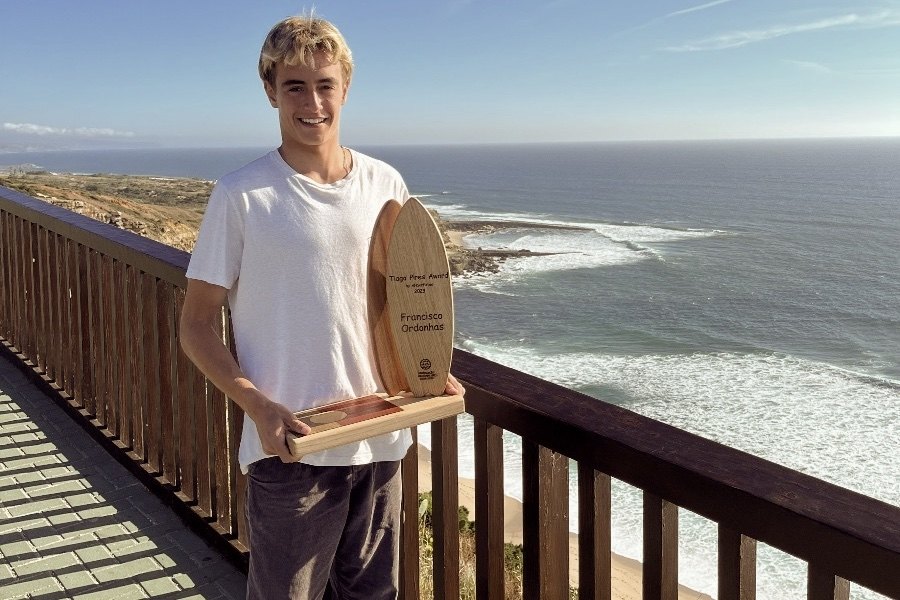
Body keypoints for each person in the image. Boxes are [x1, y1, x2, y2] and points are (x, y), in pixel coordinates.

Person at [179, 14, 464, 600]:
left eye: (325, 84)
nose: (312, 102)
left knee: (371, 595)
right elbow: (196, 325)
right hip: (292, 449)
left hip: (381, 436)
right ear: (270, 91)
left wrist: (428, 370)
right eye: (294, 86)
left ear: (346, 88)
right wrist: (258, 406)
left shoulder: (387, 184)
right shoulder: (241, 194)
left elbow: (405, 299)